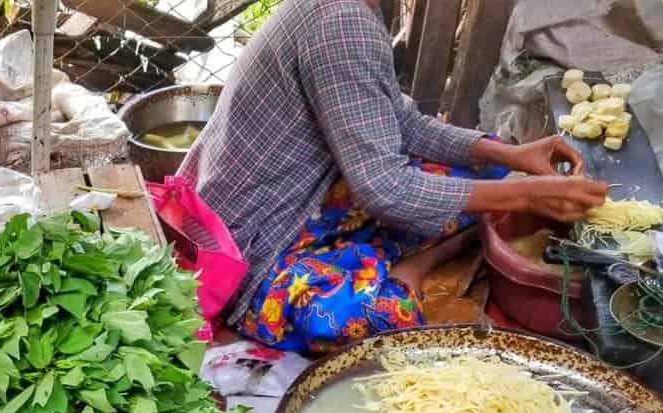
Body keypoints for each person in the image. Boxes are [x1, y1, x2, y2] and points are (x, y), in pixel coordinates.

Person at [179, 0, 610, 354]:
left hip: (302, 198)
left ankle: (424, 245)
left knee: (491, 172)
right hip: (252, 245)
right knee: (378, 316)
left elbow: (400, 120)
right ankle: (415, 266)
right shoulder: (342, 25)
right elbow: (385, 189)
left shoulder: (351, 13)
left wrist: (510, 154)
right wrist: (524, 197)